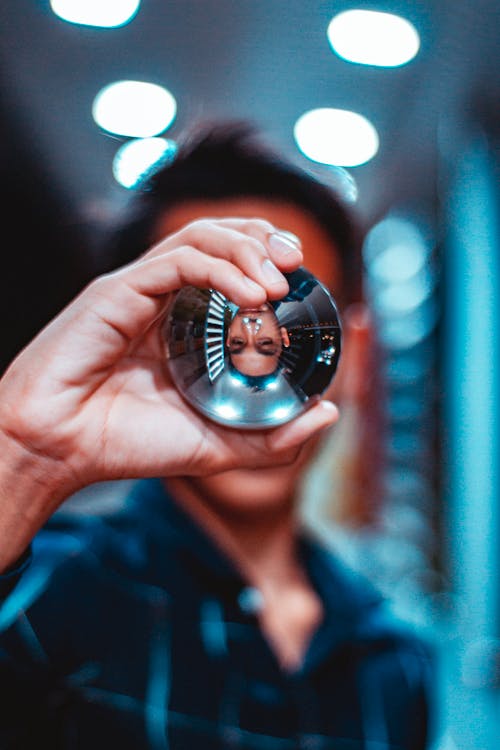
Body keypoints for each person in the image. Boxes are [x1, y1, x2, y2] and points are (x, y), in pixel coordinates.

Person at [0, 123, 433, 748]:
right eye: (208, 317)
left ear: (354, 355)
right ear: (144, 342)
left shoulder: (396, 664)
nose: (248, 374)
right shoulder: (46, 596)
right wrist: (21, 456)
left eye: (289, 321)